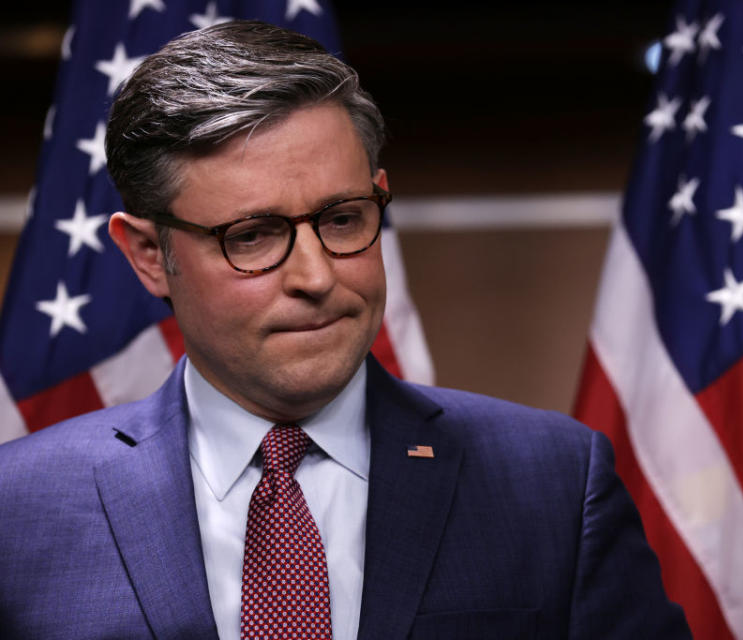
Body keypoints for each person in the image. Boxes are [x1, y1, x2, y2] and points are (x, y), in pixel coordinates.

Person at [0, 21, 690, 640]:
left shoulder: (556, 486)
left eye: (341, 219)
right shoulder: (17, 509)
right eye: (252, 235)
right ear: (151, 256)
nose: (317, 275)